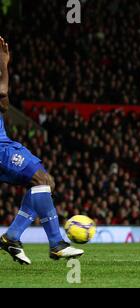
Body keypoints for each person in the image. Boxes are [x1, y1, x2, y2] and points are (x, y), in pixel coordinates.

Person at [0, 37, 84, 265]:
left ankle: (13, 236)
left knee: (44, 181)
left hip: (5, 144)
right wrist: (4, 64)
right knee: (40, 179)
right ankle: (56, 243)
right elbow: (3, 91)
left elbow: (4, 104)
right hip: (1, 148)